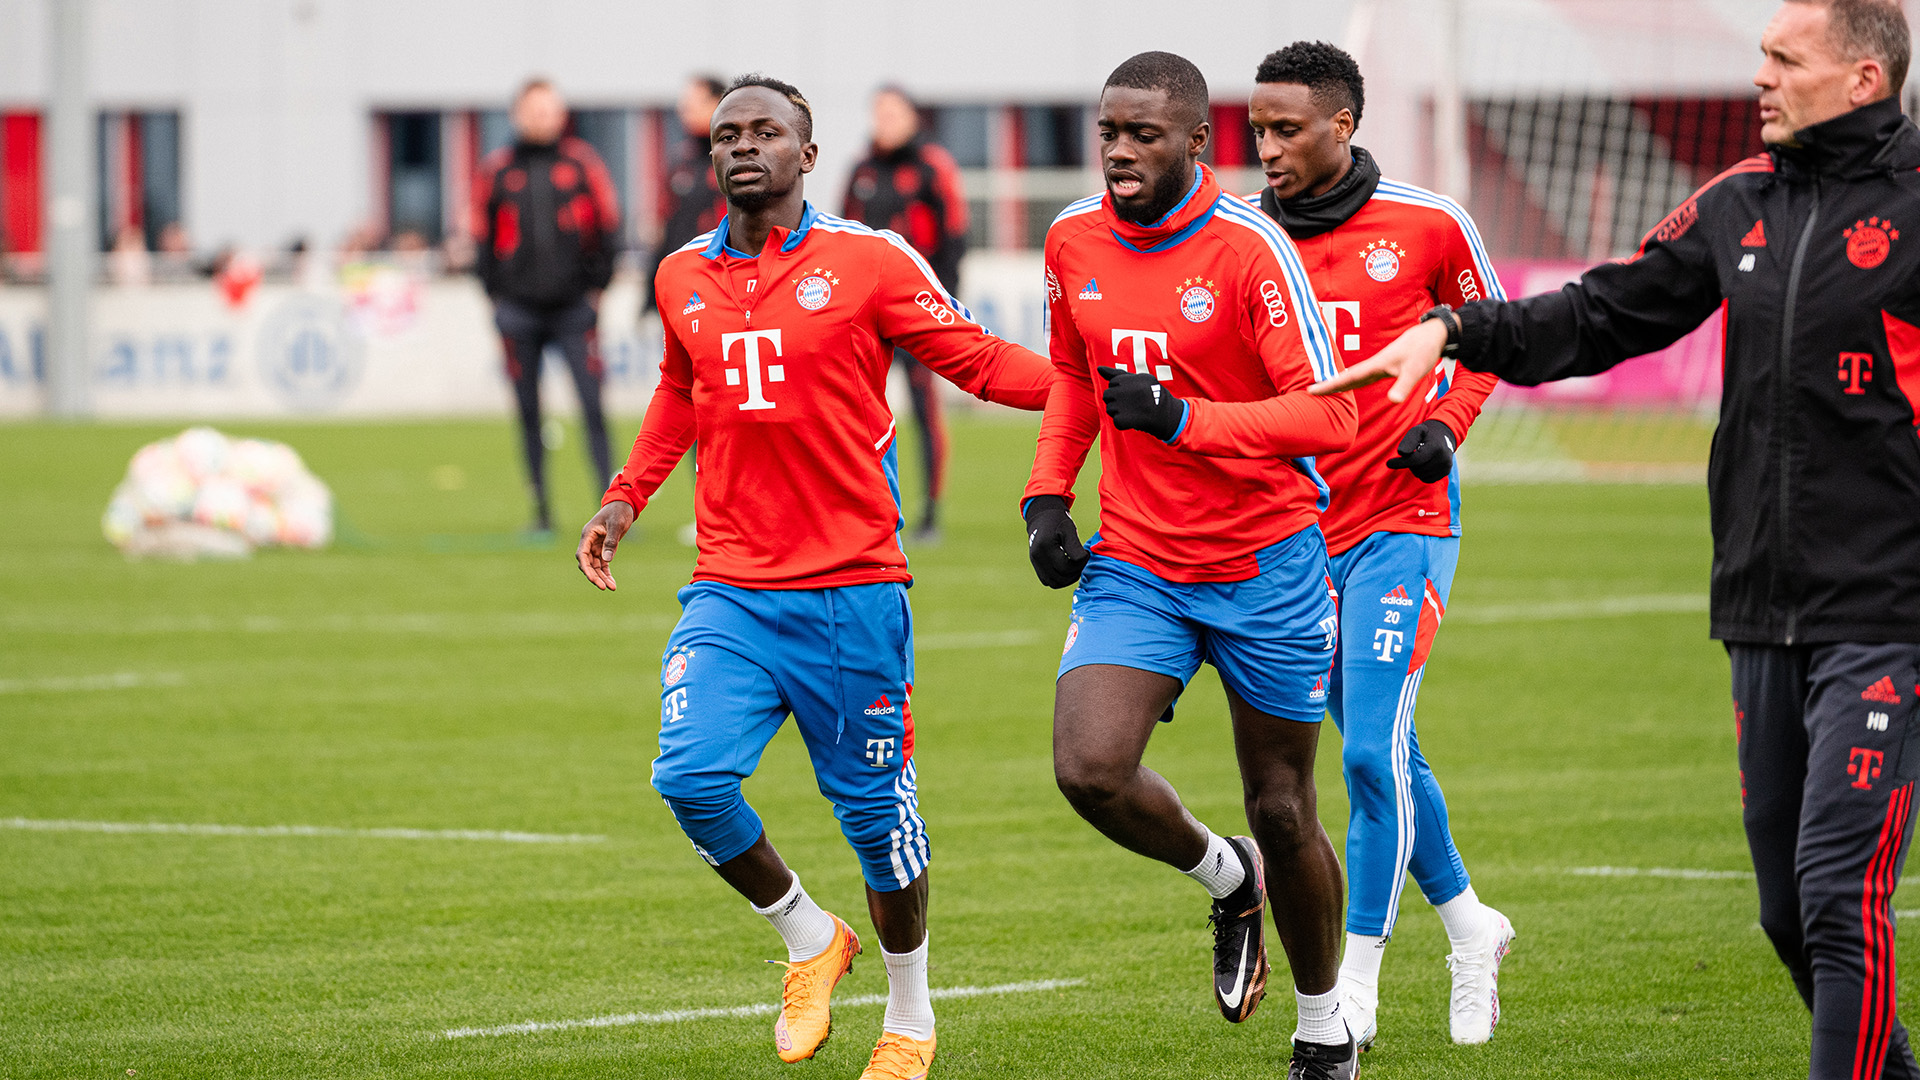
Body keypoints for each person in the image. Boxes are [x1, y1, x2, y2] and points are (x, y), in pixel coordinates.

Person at [1314, 2, 1920, 1076]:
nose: (1760, 78)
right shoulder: (1740, 205)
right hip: (1761, 613)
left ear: (1863, 78)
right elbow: (1602, 313)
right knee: (1788, 913)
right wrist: (1458, 328)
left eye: (1785, 59)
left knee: (1836, 897)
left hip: (1890, 619)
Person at [574, 74, 1055, 1080]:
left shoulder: (870, 261)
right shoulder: (679, 277)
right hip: (732, 589)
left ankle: (911, 1015)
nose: (744, 146)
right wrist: (626, 496)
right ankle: (806, 936)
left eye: (767, 132)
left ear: (808, 154)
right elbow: (678, 391)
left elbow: (975, 359)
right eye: (728, 134)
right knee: (689, 776)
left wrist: (1097, 390)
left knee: (881, 829)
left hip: (851, 592)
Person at [1021, 50, 1360, 1079]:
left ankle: (1323, 1027)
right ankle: (1227, 878)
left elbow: (1331, 411)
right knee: (1088, 768)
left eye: (1143, 136)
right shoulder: (1071, 236)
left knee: (1284, 804)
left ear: (1194, 142)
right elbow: (1074, 379)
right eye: (1109, 133)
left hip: (1267, 564)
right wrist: (1046, 494)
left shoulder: (1251, 250)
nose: (1120, 153)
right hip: (1138, 560)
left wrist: (1186, 418)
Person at [1249, 41, 1516, 1050]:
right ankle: (1469, 927)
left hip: (1404, 522)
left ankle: (1354, 983)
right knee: (1386, 750)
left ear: (1342, 126)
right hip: (1294, 541)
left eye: (1286, 129)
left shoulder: (1430, 222)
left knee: (1364, 752)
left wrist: (1445, 425)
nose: (1266, 148)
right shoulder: (1244, 238)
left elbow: (1490, 338)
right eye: (1257, 130)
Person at [473, 77, 621, 533]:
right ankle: (541, 513)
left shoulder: (582, 164)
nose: (544, 118)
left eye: (551, 110)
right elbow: (479, 236)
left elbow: (610, 226)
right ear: (518, 114)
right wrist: (495, 296)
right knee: (528, 414)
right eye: (535, 110)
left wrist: (598, 287)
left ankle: (612, 510)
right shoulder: (497, 169)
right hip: (517, 311)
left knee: (593, 408)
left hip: (575, 310)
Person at [842, 85, 971, 543]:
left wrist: (944, 305)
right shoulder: (862, 169)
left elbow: (954, 236)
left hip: (918, 315)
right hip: (865, 319)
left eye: (893, 112)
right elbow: (841, 239)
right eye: (879, 112)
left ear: (912, 116)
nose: (885, 120)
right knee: (853, 413)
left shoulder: (933, 167)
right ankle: (859, 511)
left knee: (924, 411)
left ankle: (930, 512)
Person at [646, 75, 729, 313]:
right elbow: (663, 227)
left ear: (716, 103)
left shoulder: (737, 160)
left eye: (692, 105)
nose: (684, 111)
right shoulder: (680, 161)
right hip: (682, 285)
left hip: (725, 284)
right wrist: (650, 291)